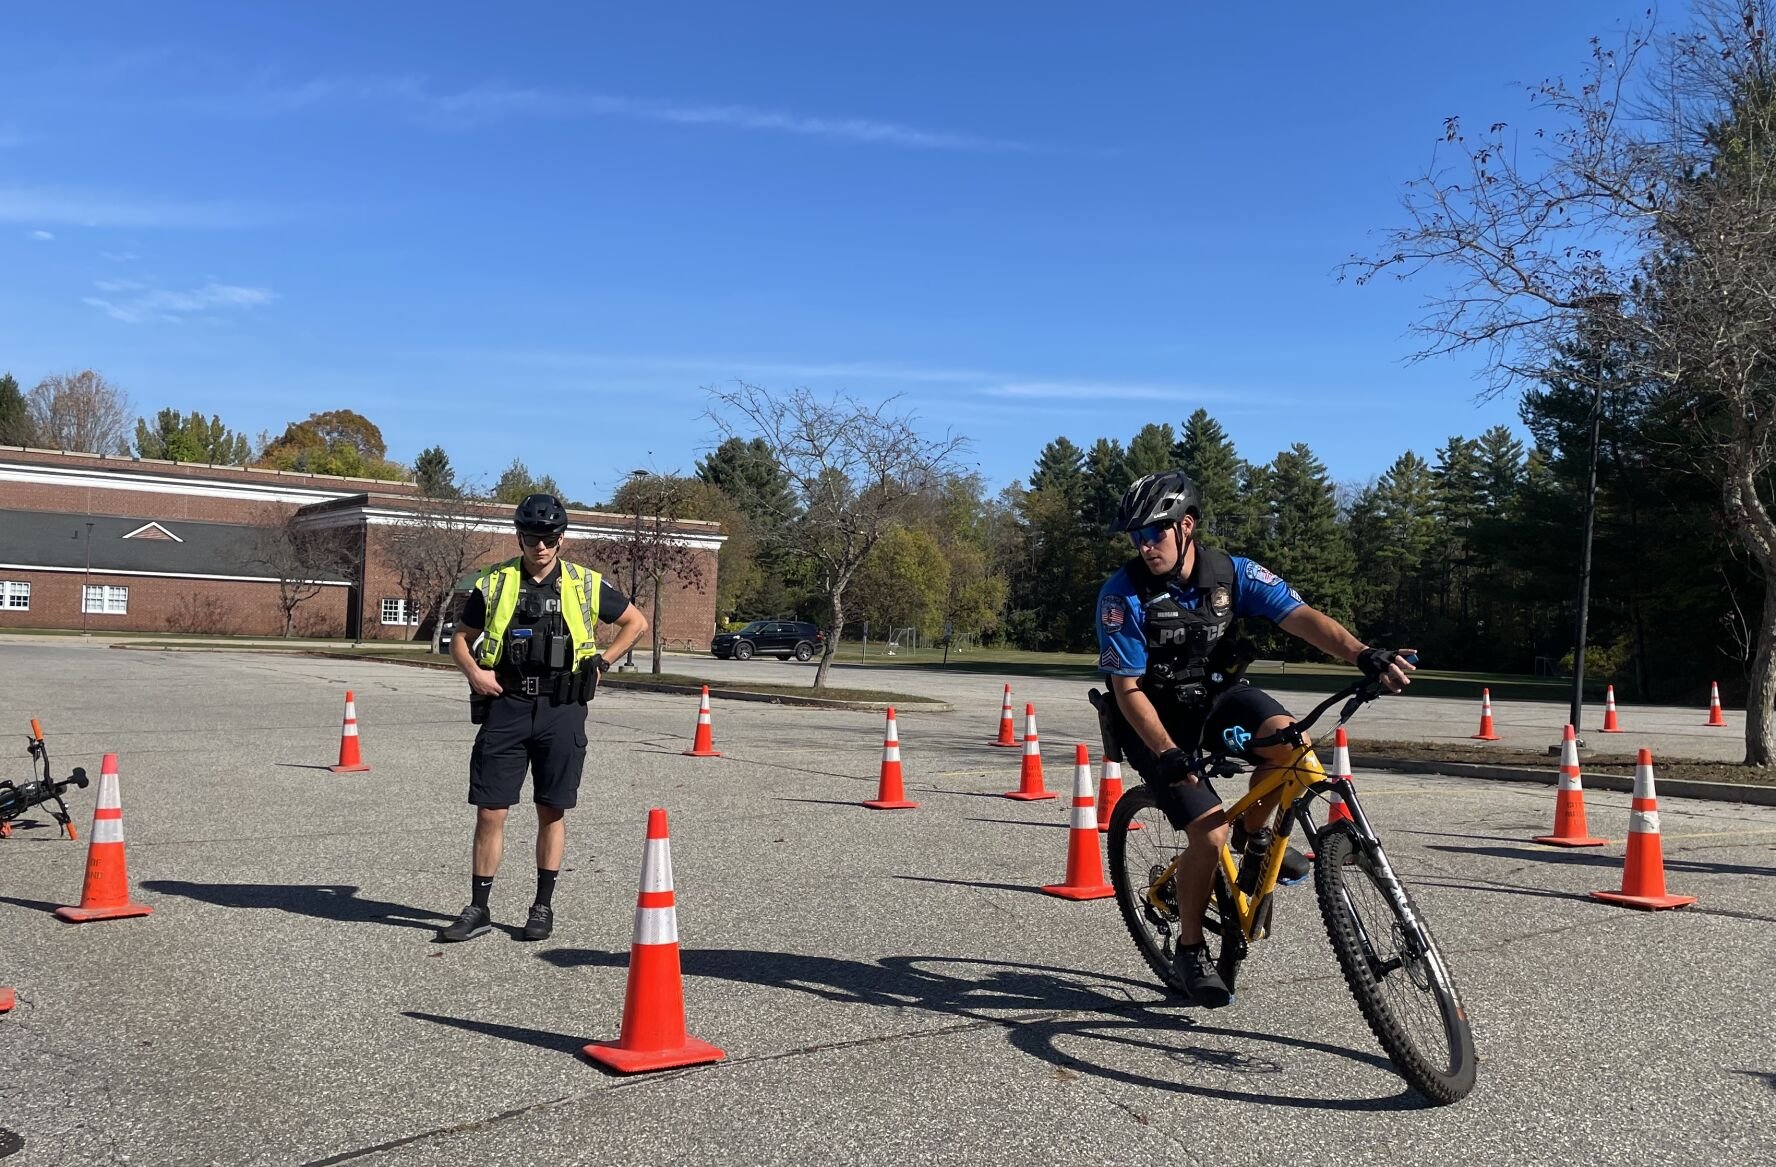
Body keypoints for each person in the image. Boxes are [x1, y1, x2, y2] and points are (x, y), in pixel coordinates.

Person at [1094, 470, 1413, 1005]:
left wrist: (1363, 654)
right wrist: (1170, 755)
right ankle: (1191, 948)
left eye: (1155, 533)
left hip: (1218, 697)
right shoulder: (1122, 596)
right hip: (1154, 720)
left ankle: (1256, 835)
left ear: (1186, 526)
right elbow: (1126, 689)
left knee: (1295, 750)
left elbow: (1301, 616)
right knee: (1209, 833)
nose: (1145, 545)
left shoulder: (1232, 574)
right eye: (1137, 537)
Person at [437, 493, 649, 943]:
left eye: (550, 538)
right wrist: (474, 672)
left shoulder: (584, 583)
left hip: (562, 709)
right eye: (533, 537)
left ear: (561, 538)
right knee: (490, 811)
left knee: (551, 811)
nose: (541, 546)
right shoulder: (492, 584)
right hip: (507, 706)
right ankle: (478, 908)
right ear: (519, 536)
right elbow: (460, 638)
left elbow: (636, 623)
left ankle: (542, 905)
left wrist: (603, 662)